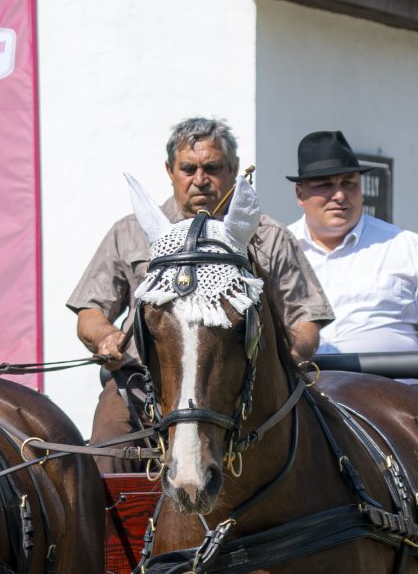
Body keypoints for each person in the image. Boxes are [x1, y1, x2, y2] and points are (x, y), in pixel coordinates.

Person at [68, 117, 331, 470]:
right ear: (169, 170)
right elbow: (90, 311)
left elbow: (306, 317)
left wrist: (285, 359)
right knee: (105, 456)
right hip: (140, 386)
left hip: (243, 389)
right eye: (188, 168)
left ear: (234, 170)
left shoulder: (269, 236)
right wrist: (106, 337)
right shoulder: (129, 232)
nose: (200, 179)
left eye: (212, 167)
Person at [286, 130, 418, 447]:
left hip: (395, 413)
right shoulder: (273, 251)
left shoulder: (409, 249)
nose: (339, 195)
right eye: (325, 185)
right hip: (299, 412)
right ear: (300, 193)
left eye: (348, 183)